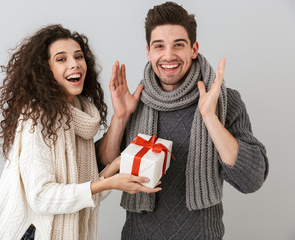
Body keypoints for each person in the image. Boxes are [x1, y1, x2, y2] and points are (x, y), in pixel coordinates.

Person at [96, 2, 269, 239]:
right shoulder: (134, 102)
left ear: (194, 49)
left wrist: (210, 117)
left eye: (179, 44)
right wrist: (120, 117)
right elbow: (103, 169)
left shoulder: (224, 100)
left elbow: (252, 180)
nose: (168, 55)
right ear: (148, 51)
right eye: (159, 46)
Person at [0, 24, 161, 240]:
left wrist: (116, 167)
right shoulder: (36, 117)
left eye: (78, 57)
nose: (74, 64)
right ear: (46, 69)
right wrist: (110, 182)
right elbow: (42, 197)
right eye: (61, 59)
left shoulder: (81, 114)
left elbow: (86, 195)